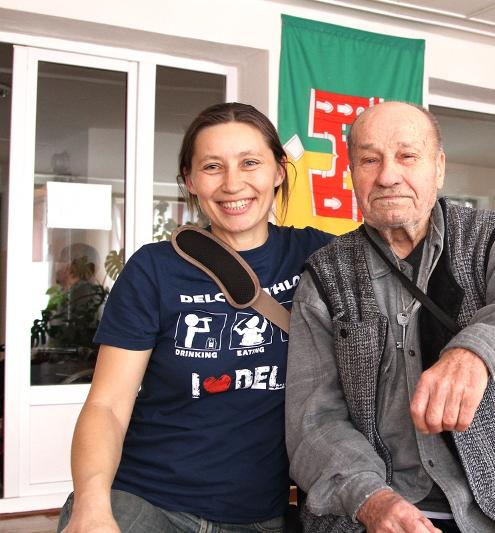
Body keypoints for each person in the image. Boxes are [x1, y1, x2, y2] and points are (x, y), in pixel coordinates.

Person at [285, 102, 495, 533]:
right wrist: (370, 499)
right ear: (352, 174)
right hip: (383, 503)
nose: (388, 176)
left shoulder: (493, 238)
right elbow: (314, 422)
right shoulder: (324, 276)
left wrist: (475, 353)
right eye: (370, 160)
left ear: (439, 167)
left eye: (407, 156)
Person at [58, 102, 332, 533]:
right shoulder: (154, 269)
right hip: (145, 500)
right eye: (212, 167)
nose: (233, 183)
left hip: (259, 514)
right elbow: (107, 406)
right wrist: (92, 506)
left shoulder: (321, 256)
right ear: (189, 180)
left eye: (250, 163)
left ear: (279, 171)